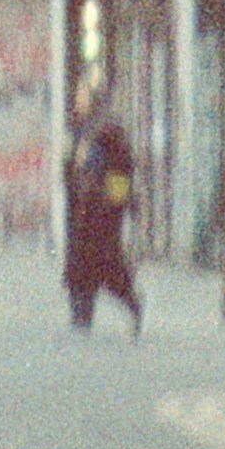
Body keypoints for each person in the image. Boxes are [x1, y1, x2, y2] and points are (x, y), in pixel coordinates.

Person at [59, 101, 143, 338]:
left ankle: (83, 313)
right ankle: (83, 313)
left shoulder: (111, 153)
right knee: (96, 269)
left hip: (96, 223)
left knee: (96, 269)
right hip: (96, 222)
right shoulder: (101, 149)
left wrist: (92, 193)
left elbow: (112, 193)